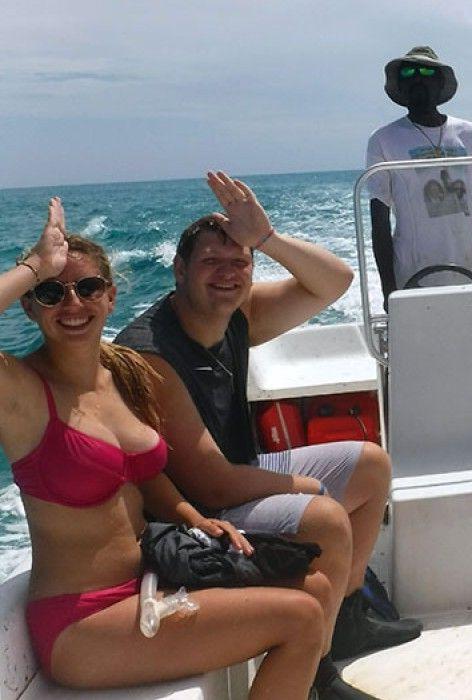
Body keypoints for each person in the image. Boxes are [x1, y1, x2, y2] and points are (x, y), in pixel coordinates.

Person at [1, 199, 325, 699]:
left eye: (87, 288)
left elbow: (138, 472)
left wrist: (191, 516)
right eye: (50, 292)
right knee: (300, 617)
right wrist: (32, 266)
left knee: (316, 590)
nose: (72, 304)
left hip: (150, 579)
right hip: (82, 619)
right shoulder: (22, 391)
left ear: (110, 297)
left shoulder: (120, 373)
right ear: (30, 303)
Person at [115, 172, 418, 699]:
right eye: (212, 262)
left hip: (235, 474)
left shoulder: (239, 314)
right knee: (323, 517)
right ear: (180, 269)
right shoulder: (151, 352)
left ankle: (344, 619)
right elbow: (211, 485)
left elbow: (336, 280)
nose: (227, 275)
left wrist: (268, 238)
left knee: (372, 465)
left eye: (240, 263)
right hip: (190, 513)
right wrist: (306, 489)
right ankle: (318, 673)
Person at [366, 45, 472, 294]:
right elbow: (379, 217)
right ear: (401, 87)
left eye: (427, 72)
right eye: (409, 73)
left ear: (440, 83)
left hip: (469, 272)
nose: (417, 77)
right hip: (410, 276)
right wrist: (389, 288)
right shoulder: (383, 140)